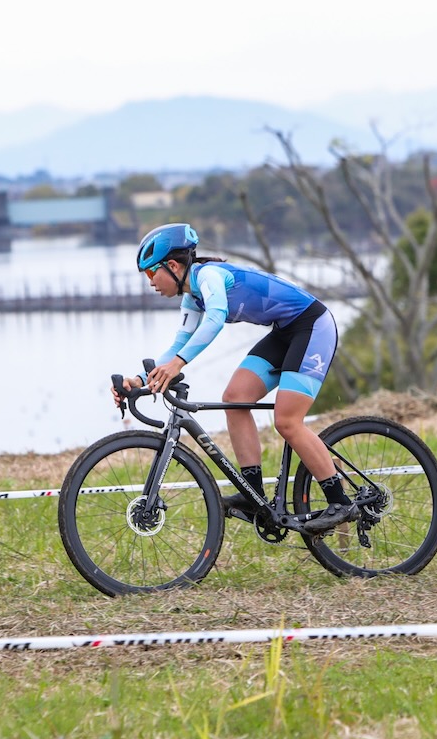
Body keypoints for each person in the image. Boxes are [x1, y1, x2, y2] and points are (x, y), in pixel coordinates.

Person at [112, 222, 357, 534]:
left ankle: (340, 501)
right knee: (235, 399)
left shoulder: (210, 277)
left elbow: (215, 319)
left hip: (312, 327)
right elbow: (178, 344)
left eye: (150, 274)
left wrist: (178, 364)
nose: (150, 283)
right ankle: (252, 494)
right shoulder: (193, 297)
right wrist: (139, 380)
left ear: (172, 266)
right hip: (285, 332)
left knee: (287, 421)